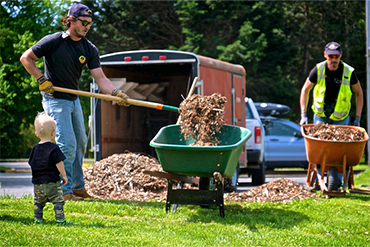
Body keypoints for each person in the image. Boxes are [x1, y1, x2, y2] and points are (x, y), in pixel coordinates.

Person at [20, 3, 128, 201]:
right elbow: (26, 58)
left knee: (80, 143)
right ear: (71, 20)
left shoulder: (89, 48)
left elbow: (101, 78)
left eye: (90, 23)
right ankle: (64, 189)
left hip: (73, 99)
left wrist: (116, 92)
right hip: (55, 100)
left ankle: (78, 187)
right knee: (67, 144)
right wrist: (41, 79)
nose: (87, 26)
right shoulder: (54, 41)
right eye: (83, 22)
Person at [300, 41, 363, 191]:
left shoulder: (348, 72)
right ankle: (317, 178)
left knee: (341, 148)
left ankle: (338, 181)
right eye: (330, 56)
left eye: (336, 56)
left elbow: (359, 93)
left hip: (341, 116)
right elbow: (305, 90)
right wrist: (303, 114)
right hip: (321, 114)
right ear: (325, 55)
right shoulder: (318, 69)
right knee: (319, 145)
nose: (333, 59)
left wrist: (358, 117)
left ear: (340, 56)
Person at [29, 112, 70, 225]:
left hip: (38, 184)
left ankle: (38, 219)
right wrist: (64, 175)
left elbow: (31, 163)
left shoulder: (35, 149)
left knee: (38, 202)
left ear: (37, 134)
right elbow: (59, 163)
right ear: (53, 133)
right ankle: (60, 219)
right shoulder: (54, 148)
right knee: (58, 201)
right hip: (52, 183)